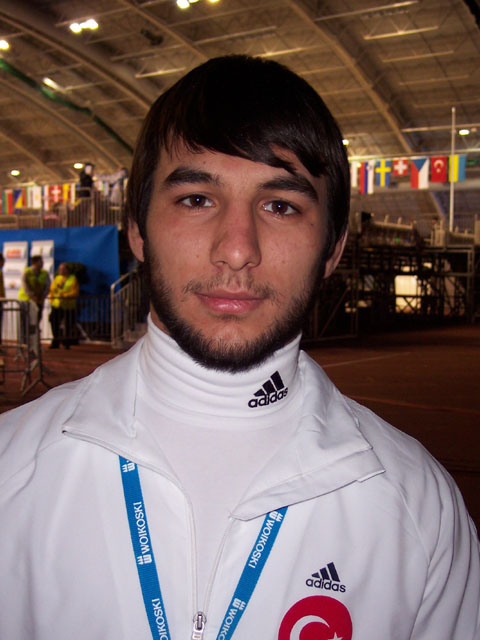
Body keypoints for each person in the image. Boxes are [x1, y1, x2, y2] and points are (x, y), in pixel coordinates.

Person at [0, 56, 478, 640]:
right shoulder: (11, 470)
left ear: (332, 249)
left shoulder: (420, 507)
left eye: (281, 206)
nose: (236, 249)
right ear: (137, 230)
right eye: (196, 199)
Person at [48, 262, 79, 349]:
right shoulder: (57, 278)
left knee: (68, 324)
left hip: (68, 306)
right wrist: (52, 301)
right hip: (57, 305)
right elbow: (52, 290)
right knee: (53, 321)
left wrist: (65, 295)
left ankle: (67, 342)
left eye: (63, 269)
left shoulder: (73, 279)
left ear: (68, 270)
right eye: (60, 269)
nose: (60, 270)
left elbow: (75, 292)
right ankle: (56, 340)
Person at [18, 254, 50, 325]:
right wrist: (32, 296)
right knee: (25, 321)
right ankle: (25, 332)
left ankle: (35, 331)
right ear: (34, 263)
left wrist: (43, 295)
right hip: (26, 301)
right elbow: (25, 285)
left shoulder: (45, 273)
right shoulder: (27, 272)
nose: (42, 263)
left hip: (39, 301)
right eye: (40, 262)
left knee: (37, 320)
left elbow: (48, 286)